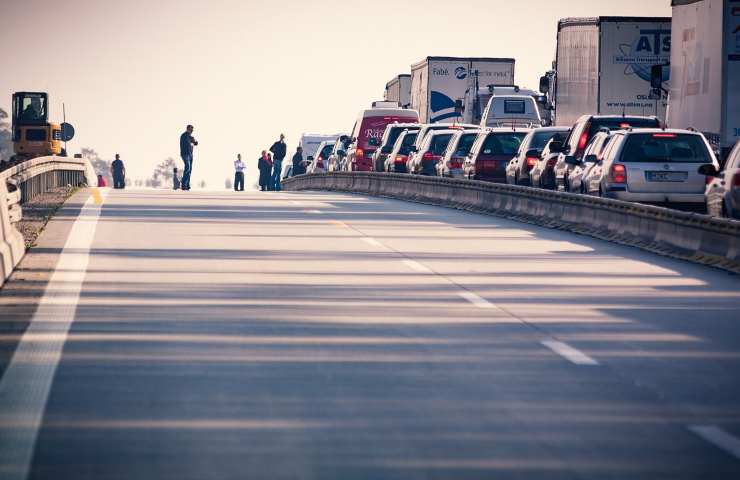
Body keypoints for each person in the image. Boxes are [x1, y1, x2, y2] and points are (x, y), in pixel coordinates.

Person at [179, 124, 198, 191]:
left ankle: (187, 185)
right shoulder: (184, 136)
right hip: (185, 154)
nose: (192, 131)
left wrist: (195, 142)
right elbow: (187, 143)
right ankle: (183, 184)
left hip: (190, 155)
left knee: (189, 170)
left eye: (192, 129)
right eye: (191, 129)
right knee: (187, 167)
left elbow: (195, 143)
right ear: (188, 129)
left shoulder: (191, 137)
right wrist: (192, 142)